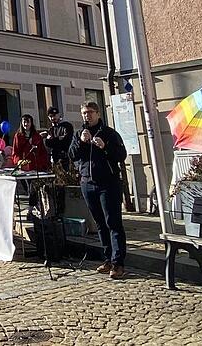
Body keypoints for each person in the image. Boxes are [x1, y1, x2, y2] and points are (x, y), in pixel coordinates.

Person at [68, 101, 128, 280]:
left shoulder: (109, 133)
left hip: (108, 183)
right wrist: (80, 142)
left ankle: (118, 263)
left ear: (98, 114)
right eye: (84, 113)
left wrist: (105, 147)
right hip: (88, 182)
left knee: (113, 223)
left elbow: (121, 155)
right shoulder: (80, 134)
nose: (87, 116)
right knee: (100, 223)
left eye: (90, 112)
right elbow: (72, 154)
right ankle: (108, 258)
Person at [42, 106, 75, 171]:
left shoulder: (66, 126)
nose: (53, 118)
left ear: (59, 115)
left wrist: (53, 140)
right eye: (51, 116)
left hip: (66, 158)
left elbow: (67, 140)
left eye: (55, 115)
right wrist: (59, 139)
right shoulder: (51, 130)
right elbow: (48, 143)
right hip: (55, 159)